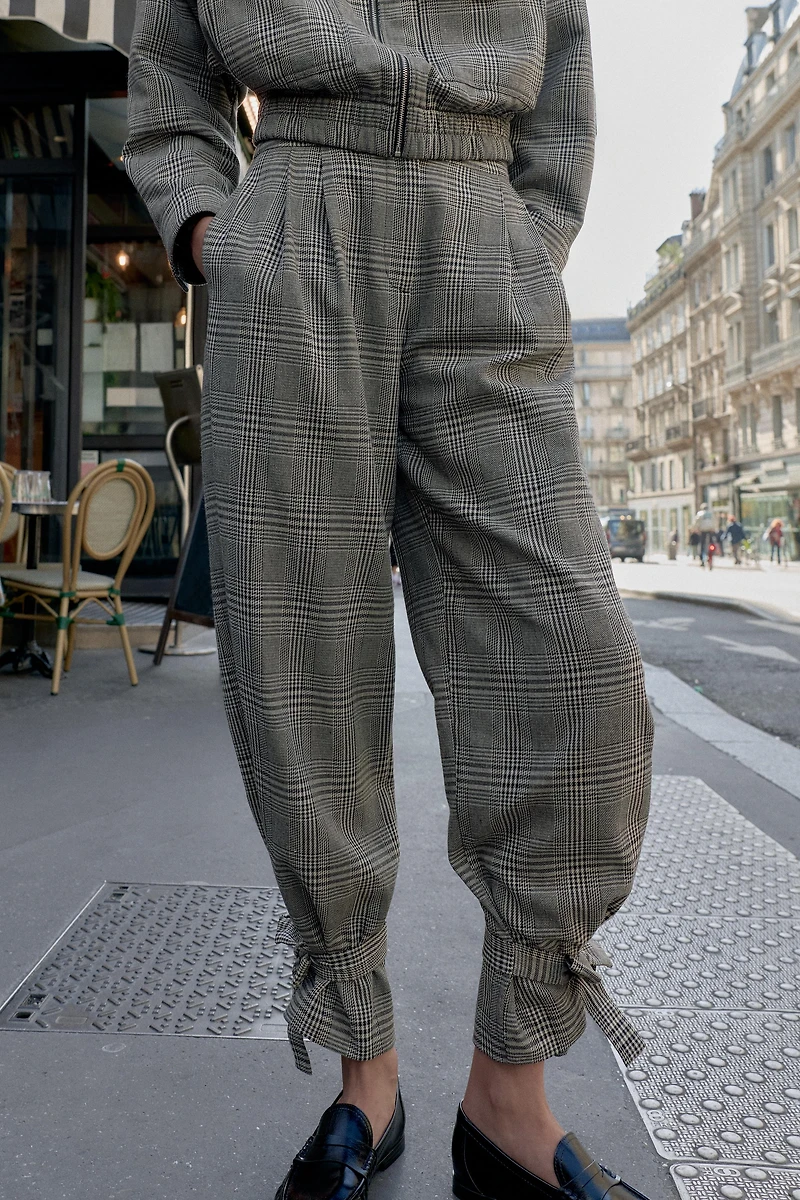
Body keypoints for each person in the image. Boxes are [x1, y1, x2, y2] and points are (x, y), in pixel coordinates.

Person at [125, 3, 654, 1198]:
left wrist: (523, 240)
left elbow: (559, 73)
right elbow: (166, 67)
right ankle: (366, 1073)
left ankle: (504, 1094)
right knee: (301, 674)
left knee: (580, 671)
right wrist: (213, 225)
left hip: (482, 235)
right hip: (294, 218)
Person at [694, 504, 717, 568]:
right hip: (710, 530)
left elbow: (696, 522)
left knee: (702, 545)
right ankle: (711, 555)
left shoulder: (700, 513)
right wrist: (714, 528)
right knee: (711, 543)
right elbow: (715, 521)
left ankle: (702, 560)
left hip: (703, 531)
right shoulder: (711, 514)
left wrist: (696, 529)